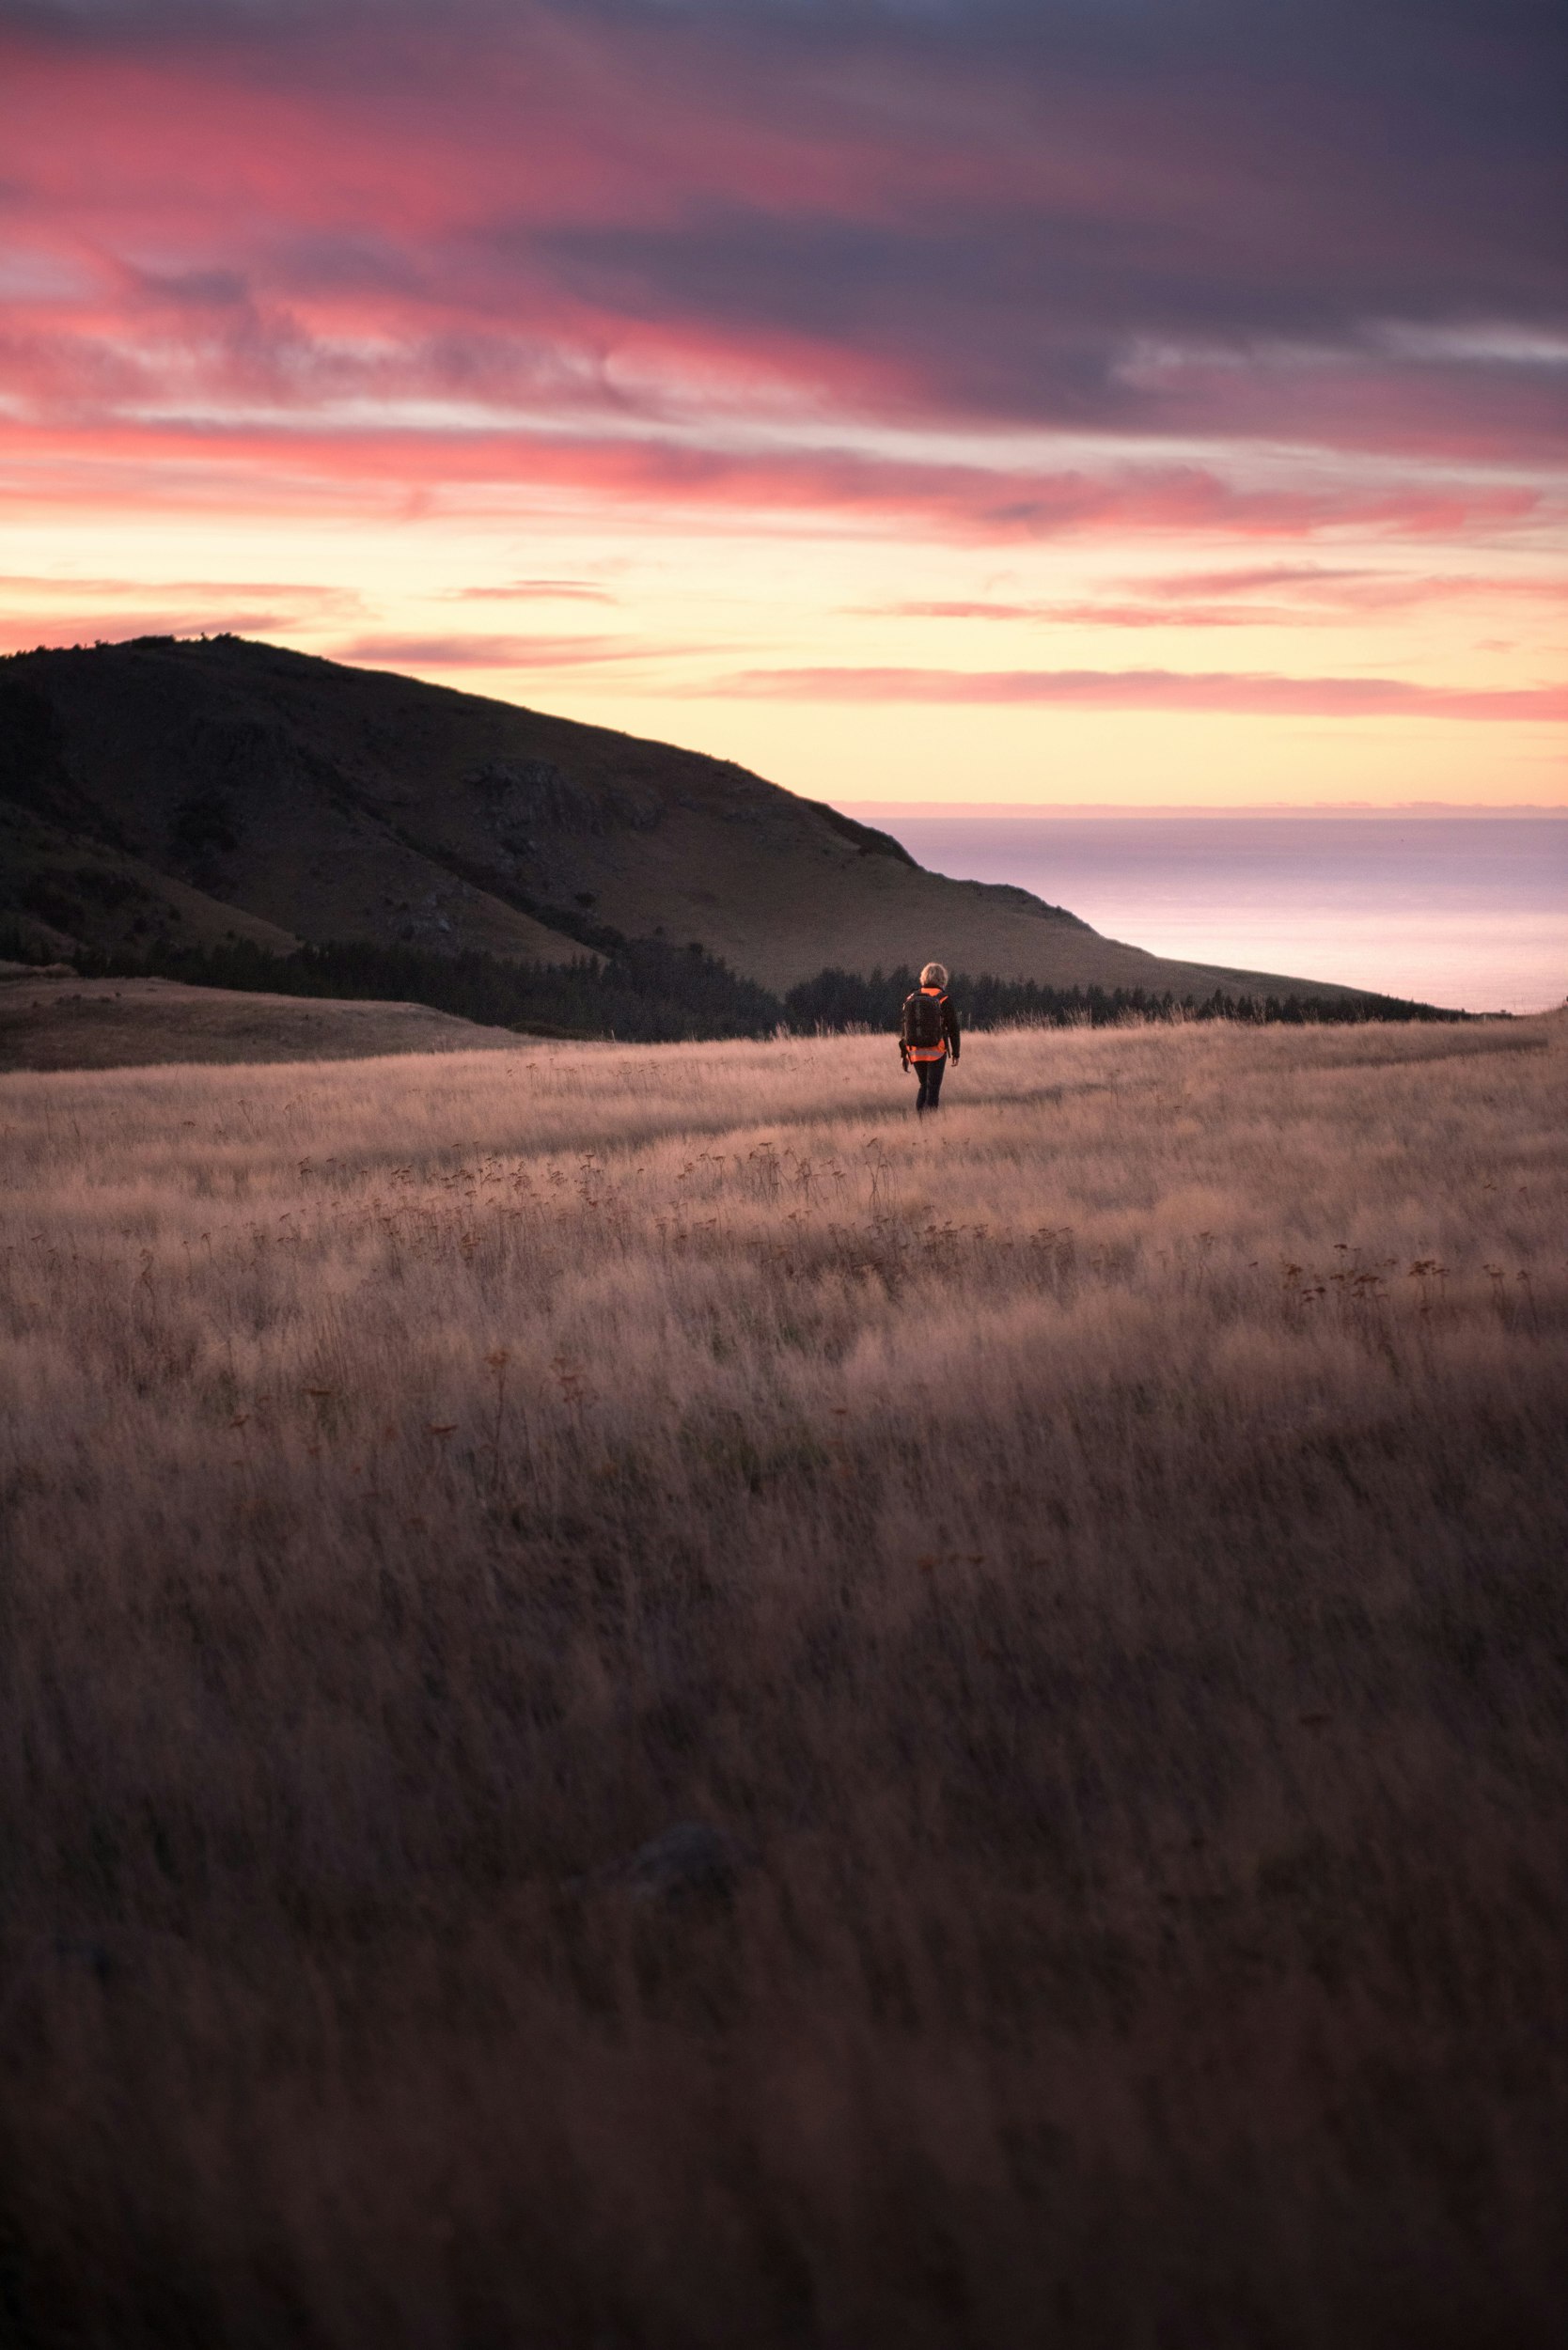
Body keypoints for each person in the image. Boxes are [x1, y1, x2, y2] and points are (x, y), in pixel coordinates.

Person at [900, 961, 960, 1113]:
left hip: (915, 1050)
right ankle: (930, 1125)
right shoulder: (943, 998)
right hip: (936, 1050)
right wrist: (956, 1052)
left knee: (923, 1085)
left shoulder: (911, 997)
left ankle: (921, 1124)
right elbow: (953, 1027)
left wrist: (904, 1054)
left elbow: (905, 1027)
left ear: (924, 978)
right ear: (942, 979)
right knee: (933, 1089)